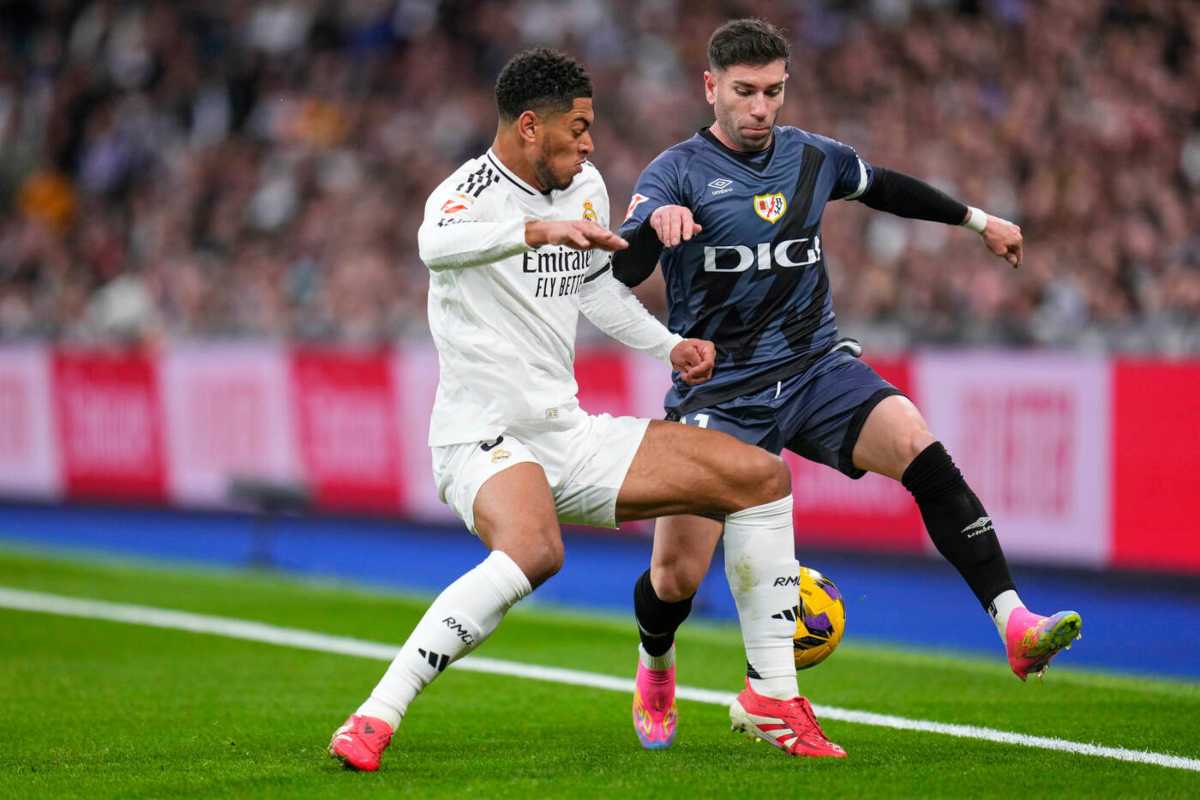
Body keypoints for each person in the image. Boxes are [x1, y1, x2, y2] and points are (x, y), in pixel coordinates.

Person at [329, 48, 848, 772]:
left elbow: (596, 289)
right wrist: (534, 231)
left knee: (761, 478)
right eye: (577, 129)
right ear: (530, 127)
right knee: (536, 551)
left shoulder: (585, 187)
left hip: (566, 434)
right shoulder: (468, 191)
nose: (590, 144)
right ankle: (375, 715)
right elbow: (434, 247)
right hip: (481, 437)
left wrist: (669, 346)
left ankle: (773, 697)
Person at [612, 19, 1083, 750]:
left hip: (815, 368)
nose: (760, 108)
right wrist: (656, 228)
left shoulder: (812, 156)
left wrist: (978, 221)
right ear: (710, 88)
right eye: (744, 92)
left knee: (920, 447)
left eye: (773, 91)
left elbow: (885, 187)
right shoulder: (673, 173)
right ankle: (656, 663)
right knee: (675, 578)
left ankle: (1014, 622)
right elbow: (622, 270)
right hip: (721, 393)